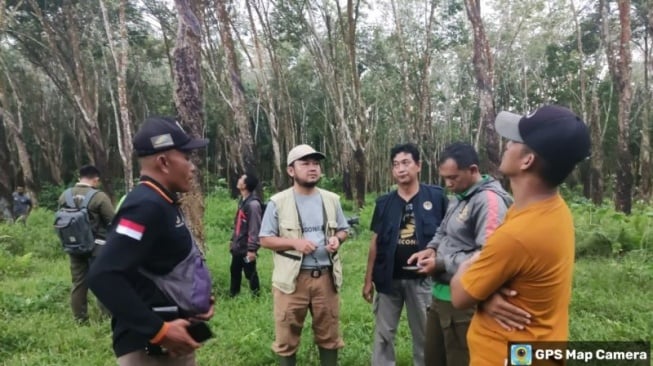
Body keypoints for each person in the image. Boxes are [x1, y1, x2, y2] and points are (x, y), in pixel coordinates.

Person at [450, 105, 591, 365]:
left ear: (527, 160)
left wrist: (468, 266)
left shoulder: (518, 235)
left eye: (515, 140)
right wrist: (485, 294)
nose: (507, 144)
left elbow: (459, 296)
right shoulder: (552, 210)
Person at [88, 116, 214, 366]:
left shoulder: (164, 201)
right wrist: (159, 331)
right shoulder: (145, 206)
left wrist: (197, 300)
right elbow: (103, 275)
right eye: (187, 157)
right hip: (149, 351)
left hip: (171, 344)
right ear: (164, 162)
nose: (192, 167)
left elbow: (162, 266)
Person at [407, 142, 512, 366]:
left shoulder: (489, 201)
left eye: (453, 177)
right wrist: (430, 249)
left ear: (473, 170)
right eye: (445, 178)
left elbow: (488, 256)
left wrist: (442, 263)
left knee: (461, 359)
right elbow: (443, 230)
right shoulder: (460, 196)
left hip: (465, 302)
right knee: (434, 358)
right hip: (440, 296)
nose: (448, 184)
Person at [259, 144, 349, 366]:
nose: (312, 168)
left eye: (316, 164)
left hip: (326, 279)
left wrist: (338, 238)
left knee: (329, 334)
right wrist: (294, 243)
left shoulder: (331, 199)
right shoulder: (277, 202)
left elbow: (343, 229)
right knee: (286, 336)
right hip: (292, 281)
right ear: (291, 171)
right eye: (305, 163)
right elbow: (265, 239)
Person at [362, 143, 448, 366]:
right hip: (388, 279)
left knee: (425, 336)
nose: (400, 169)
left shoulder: (437, 198)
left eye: (406, 163)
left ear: (418, 166)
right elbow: (375, 242)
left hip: (423, 280)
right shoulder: (384, 203)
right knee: (383, 336)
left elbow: (448, 236)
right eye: (396, 165)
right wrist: (367, 280)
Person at [57, 165, 114, 323]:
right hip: (98, 247)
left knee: (78, 283)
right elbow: (112, 221)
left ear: (79, 177)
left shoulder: (64, 196)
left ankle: (80, 319)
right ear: (96, 179)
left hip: (74, 247)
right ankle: (106, 317)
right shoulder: (99, 197)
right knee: (102, 281)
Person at [229, 173, 262, 297]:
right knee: (234, 270)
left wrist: (252, 249)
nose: (238, 180)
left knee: (250, 272)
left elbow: (254, 228)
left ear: (246, 185)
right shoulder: (243, 201)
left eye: (241, 179)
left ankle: (256, 296)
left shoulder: (253, 205)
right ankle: (233, 295)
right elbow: (238, 223)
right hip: (238, 246)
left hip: (247, 248)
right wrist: (233, 240)